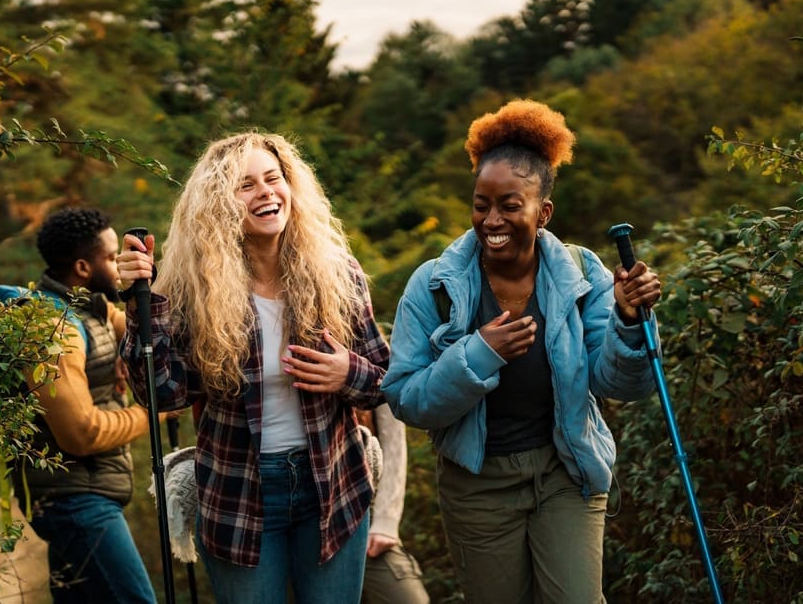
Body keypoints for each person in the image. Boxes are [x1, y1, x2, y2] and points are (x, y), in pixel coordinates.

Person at [381, 99, 662, 604]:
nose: (492, 220)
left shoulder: (582, 274)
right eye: (481, 205)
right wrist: (478, 355)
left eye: (510, 206)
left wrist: (627, 319)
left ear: (543, 212)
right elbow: (406, 398)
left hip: (566, 471)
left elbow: (623, 385)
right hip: (477, 485)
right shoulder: (433, 285)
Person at [116, 131, 390, 604]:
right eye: (245, 185)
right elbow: (164, 394)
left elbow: (387, 381)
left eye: (272, 178)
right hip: (237, 494)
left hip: (333, 487)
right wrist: (141, 306)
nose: (265, 192)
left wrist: (347, 373)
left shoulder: (336, 273)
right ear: (218, 206)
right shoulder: (193, 291)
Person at [17, 206, 159, 604]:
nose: (119, 267)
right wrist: (153, 412)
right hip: (75, 502)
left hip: (84, 496)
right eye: (112, 258)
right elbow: (80, 433)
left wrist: (129, 353)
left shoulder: (92, 309)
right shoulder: (52, 328)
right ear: (82, 267)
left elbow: (150, 334)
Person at [358, 404, 430, 604]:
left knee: (408, 599)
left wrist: (385, 522)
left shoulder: (376, 381)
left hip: (365, 508)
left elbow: (393, 444)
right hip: (301, 512)